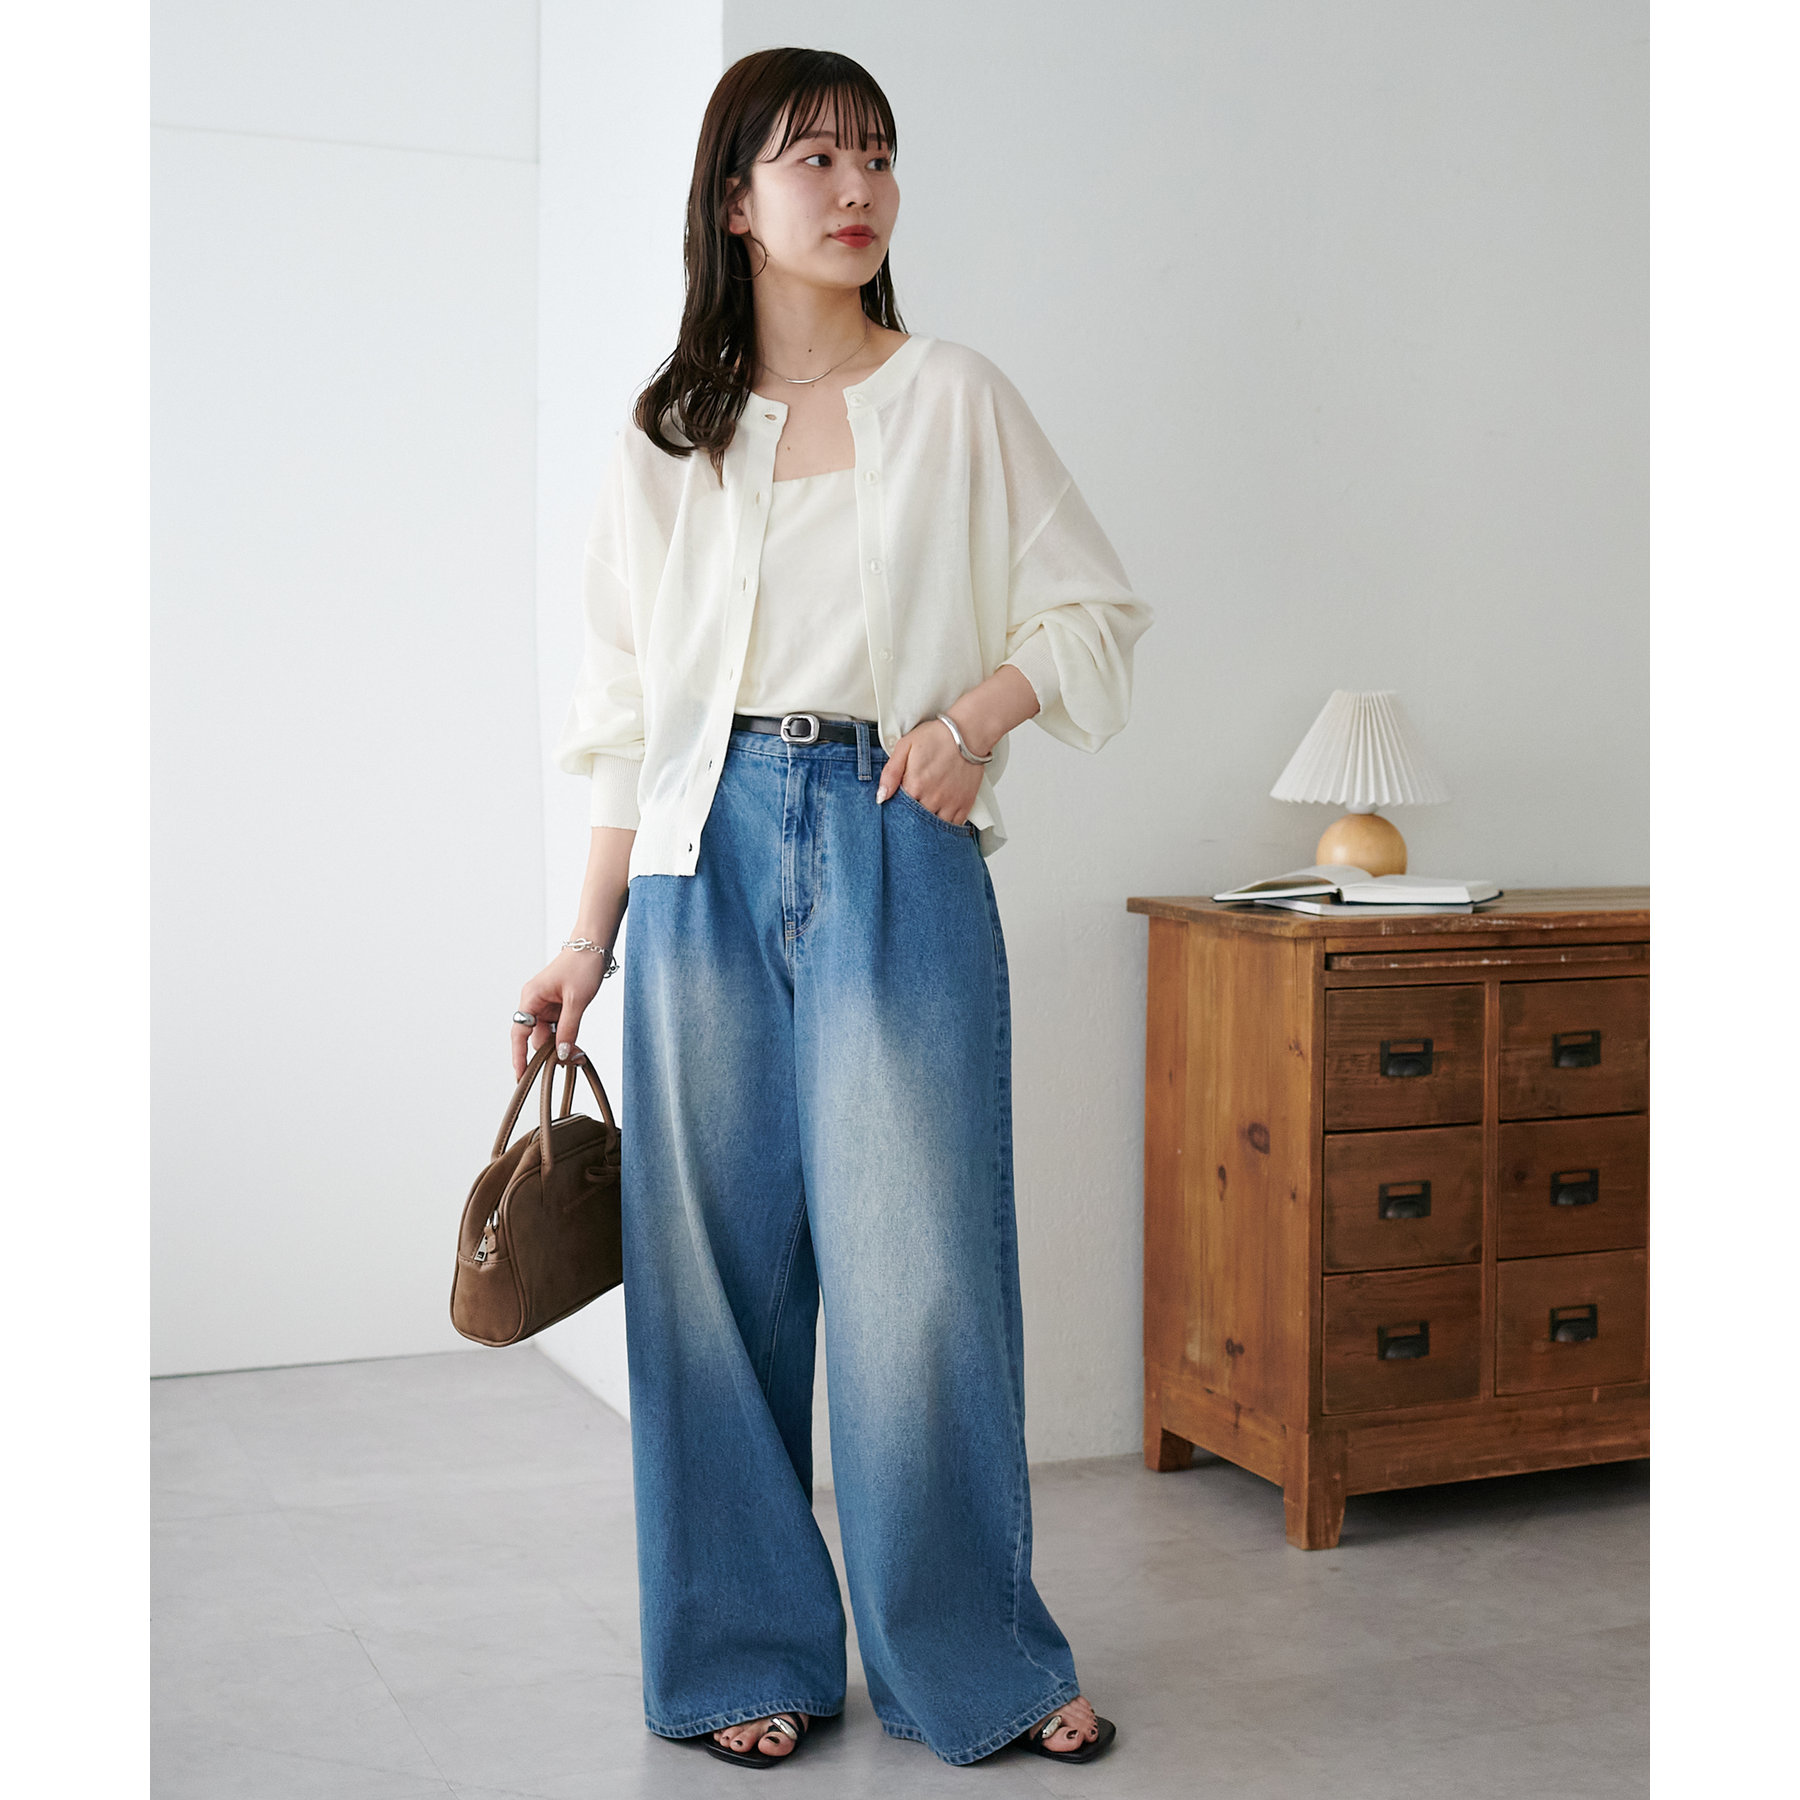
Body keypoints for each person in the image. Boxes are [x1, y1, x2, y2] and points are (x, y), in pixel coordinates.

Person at [513, 46, 1151, 1771]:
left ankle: (974, 1662)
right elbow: (623, 715)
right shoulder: (668, 434)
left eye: (877, 154)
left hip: (890, 826)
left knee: (921, 1270)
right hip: (698, 850)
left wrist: (971, 724)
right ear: (737, 201)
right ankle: (744, 1654)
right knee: (707, 1277)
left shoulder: (954, 396)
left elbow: (1091, 611)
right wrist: (586, 939)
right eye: (815, 158)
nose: (857, 187)